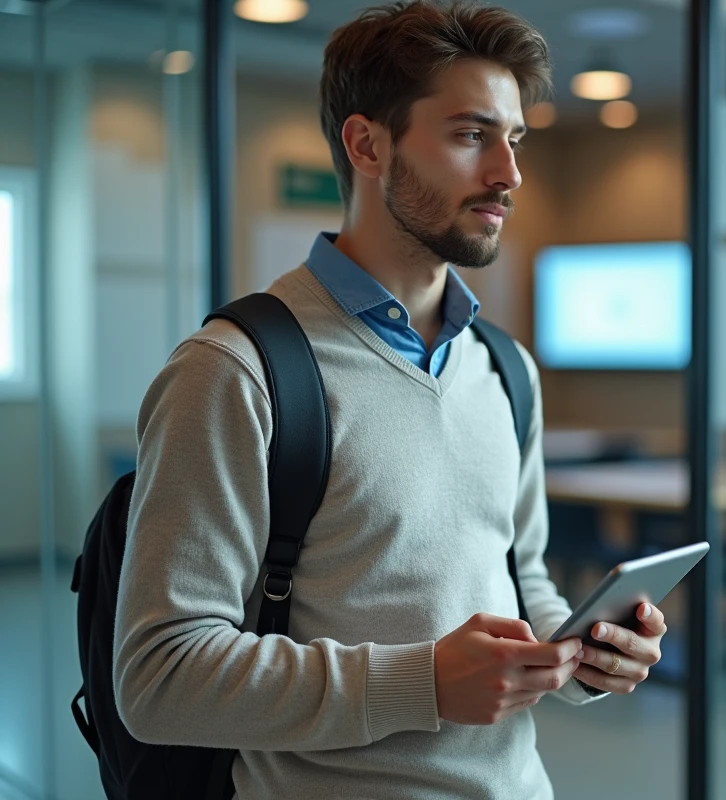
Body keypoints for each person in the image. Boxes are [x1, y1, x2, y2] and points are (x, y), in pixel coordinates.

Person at [112, 2, 670, 798]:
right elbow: (158, 678)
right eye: (471, 135)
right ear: (367, 144)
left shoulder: (506, 369)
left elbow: (522, 581)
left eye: (513, 140)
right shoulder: (236, 371)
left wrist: (582, 653)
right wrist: (426, 683)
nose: (508, 175)